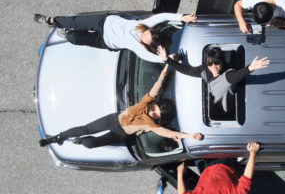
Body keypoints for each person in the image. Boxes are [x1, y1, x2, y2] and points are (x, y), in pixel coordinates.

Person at [39, 61, 203, 148]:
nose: (151, 112)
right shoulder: (147, 101)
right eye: (154, 108)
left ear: (158, 118)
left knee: (90, 143)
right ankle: (56, 137)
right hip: (114, 120)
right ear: (154, 104)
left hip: (120, 134)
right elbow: (159, 82)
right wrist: (168, 63)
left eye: (155, 114)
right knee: (85, 128)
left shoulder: (152, 125)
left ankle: (80, 141)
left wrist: (189, 136)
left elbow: (169, 134)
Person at [33, 12, 197, 63]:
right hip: (102, 22)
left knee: (74, 39)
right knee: (74, 21)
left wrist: (166, 58)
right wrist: (181, 17)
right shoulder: (144, 24)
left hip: (104, 41)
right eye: (146, 32)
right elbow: (161, 16)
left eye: (145, 38)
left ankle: (67, 33)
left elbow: (150, 57)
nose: (143, 34)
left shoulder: (138, 48)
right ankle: (51, 21)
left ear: (147, 44)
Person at [157, 46, 270, 112]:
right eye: (210, 63)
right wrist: (167, 60)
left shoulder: (227, 75)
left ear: (222, 62)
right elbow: (186, 70)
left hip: (227, 107)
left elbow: (236, 76)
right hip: (214, 103)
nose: (213, 66)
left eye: (217, 63)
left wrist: (250, 68)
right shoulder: (204, 71)